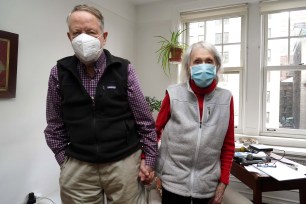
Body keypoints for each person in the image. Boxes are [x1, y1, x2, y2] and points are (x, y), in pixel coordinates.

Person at [44, 4, 157, 204]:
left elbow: (145, 121)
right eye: (77, 32)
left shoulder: (124, 69)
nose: (84, 38)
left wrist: (148, 161)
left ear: (104, 36)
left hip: (123, 164)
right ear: (69, 37)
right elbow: (54, 125)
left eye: (91, 32)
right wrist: (65, 162)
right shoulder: (58, 73)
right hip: (78, 168)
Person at [155, 41, 235, 204]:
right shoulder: (173, 94)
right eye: (197, 61)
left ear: (216, 65)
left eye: (209, 61)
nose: (203, 65)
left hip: (207, 187)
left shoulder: (226, 99)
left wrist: (223, 182)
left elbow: (228, 144)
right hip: (172, 184)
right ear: (188, 67)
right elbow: (154, 132)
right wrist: (157, 171)